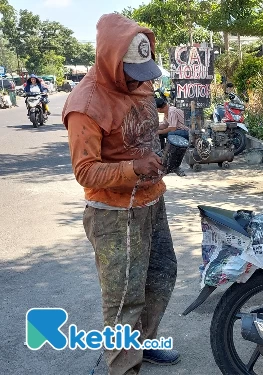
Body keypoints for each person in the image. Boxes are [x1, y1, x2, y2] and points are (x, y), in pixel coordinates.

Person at [62, 13, 179, 373]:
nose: (138, 80)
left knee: (161, 275)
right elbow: (84, 171)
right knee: (123, 298)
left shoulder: (139, 81)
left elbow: (153, 102)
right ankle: (123, 366)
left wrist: (169, 112)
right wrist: (133, 167)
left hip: (150, 200)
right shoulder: (87, 103)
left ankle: (141, 344)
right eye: (131, 72)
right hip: (113, 213)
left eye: (144, 71)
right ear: (111, 61)